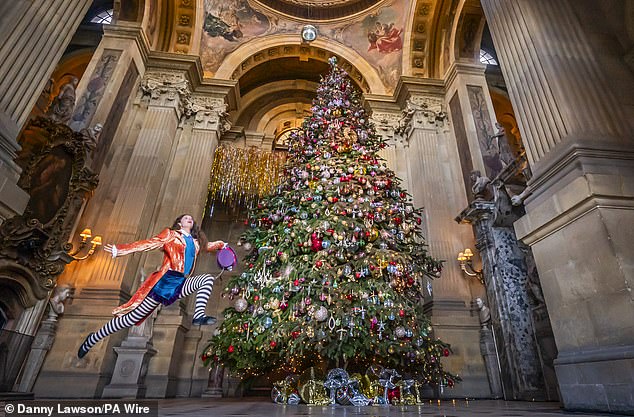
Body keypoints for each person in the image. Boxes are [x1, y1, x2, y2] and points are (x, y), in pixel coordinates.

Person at [77, 214, 227, 358]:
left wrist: (222, 245)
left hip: (181, 282)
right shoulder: (170, 234)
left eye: (191, 218)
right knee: (130, 319)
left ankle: (198, 315)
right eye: (186, 217)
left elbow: (208, 246)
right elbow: (148, 243)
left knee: (206, 279)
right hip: (166, 281)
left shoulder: (195, 242)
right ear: (180, 223)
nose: (190, 219)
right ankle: (93, 338)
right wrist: (120, 249)